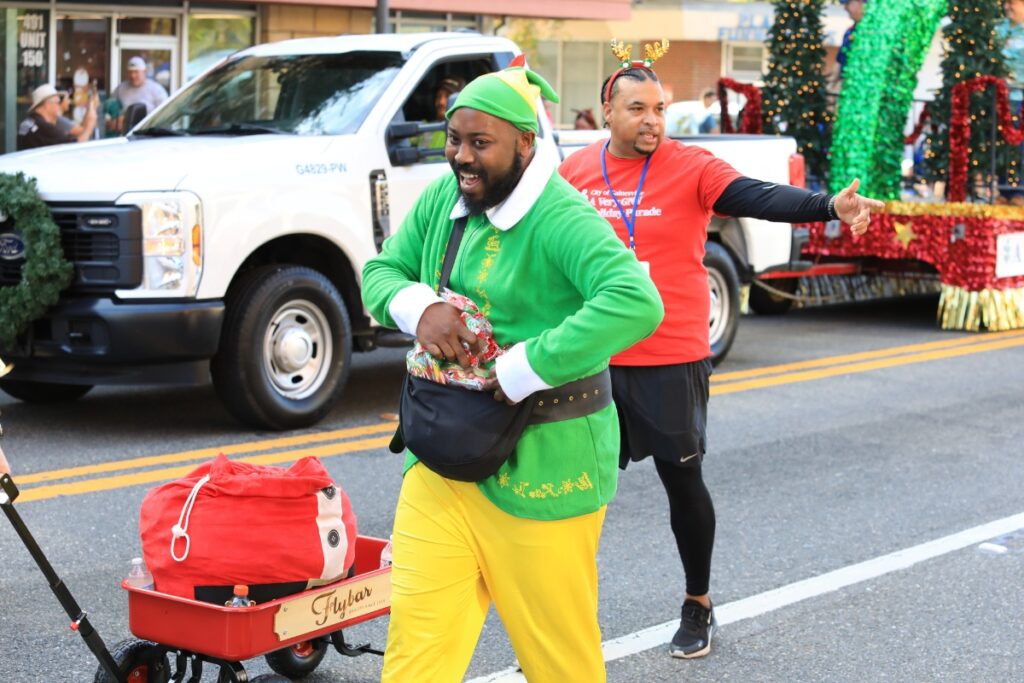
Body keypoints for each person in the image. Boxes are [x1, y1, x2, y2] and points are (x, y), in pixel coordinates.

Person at [559, 52, 882, 660]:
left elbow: (757, 195)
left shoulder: (691, 166)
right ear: (608, 112)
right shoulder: (575, 172)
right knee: (578, 490)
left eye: (658, 109)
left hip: (670, 355)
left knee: (682, 480)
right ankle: (563, 614)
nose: (652, 120)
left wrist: (825, 207)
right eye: (637, 109)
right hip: (592, 354)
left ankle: (698, 602)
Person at [362, 59, 663, 683]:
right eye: (454, 140)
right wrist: (422, 309)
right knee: (415, 656)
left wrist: (528, 365)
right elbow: (379, 273)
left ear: (525, 144)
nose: (462, 158)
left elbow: (636, 301)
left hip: (544, 466)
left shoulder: (560, 215)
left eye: (481, 143)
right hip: (441, 458)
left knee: (559, 663)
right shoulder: (447, 196)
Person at [17, 84, 98, 151]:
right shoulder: (43, 127)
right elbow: (76, 146)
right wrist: (90, 124)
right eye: (57, 102)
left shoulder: (29, 121)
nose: (59, 106)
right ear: (47, 104)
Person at [113, 56, 169, 130]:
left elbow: (166, 114)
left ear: (144, 71)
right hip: (125, 132)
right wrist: (114, 121)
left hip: (149, 133)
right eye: (130, 72)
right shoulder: (120, 89)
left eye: (136, 72)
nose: (133, 75)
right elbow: (111, 109)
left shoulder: (157, 90)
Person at [836, 0, 866, 79]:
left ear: (861, 3)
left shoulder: (875, 34)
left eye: (847, 3)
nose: (845, 8)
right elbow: (839, 62)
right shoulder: (849, 32)